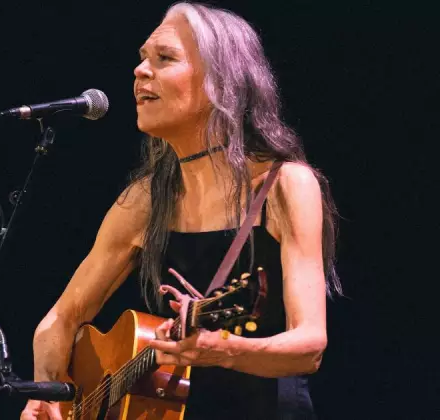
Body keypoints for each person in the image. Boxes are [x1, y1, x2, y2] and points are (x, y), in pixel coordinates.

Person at [20, 2, 342, 419]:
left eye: (165, 58)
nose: (139, 72)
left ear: (222, 83)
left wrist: (222, 350)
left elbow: (310, 345)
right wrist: (47, 395)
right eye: (141, 60)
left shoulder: (285, 186)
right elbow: (62, 317)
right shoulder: (143, 201)